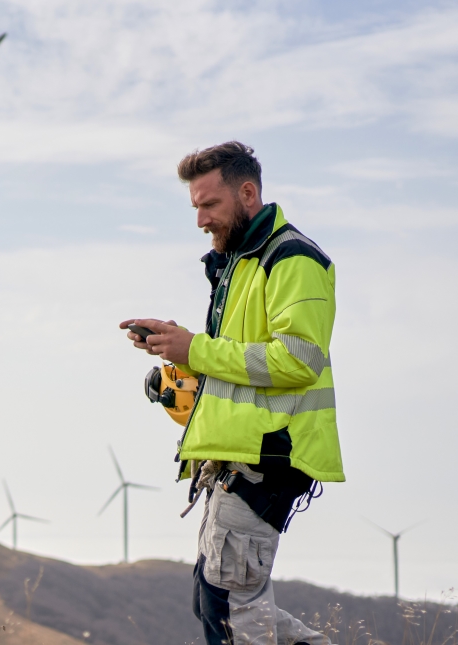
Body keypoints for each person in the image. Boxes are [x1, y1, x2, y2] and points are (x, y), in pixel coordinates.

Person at [120, 141, 343, 645]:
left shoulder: (292, 258)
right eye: (195, 206)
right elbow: (239, 358)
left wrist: (196, 349)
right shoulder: (239, 262)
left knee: (231, 607)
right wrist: (180, 348)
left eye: (209, 205)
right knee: (216, 599)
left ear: (247, 194)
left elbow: (298, 358)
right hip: (239, 456)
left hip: (269, 454)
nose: (200, 219)